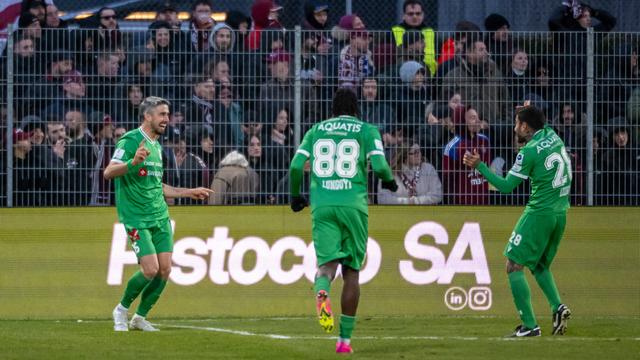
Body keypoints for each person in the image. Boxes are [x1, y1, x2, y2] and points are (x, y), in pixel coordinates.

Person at [289, 88, 398, 354]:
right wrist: (389, 181)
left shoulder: (316, 130)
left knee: (325, 267)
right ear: (356, 107)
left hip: (323, 205)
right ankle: (344, 342)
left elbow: (295, 166)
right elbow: (381, 166)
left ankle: (322, 290)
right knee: (351, 272)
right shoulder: (366, 129)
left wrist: (295, 197)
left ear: (333, 109)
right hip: (353, 206)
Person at [463, 103, 573, 337]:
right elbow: (539, 120)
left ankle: (530, 326)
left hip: (539, 213)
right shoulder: (552, 135)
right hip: (561, 213)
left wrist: (479, 165)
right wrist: (529, 109)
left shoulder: (529, 151)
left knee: (513, 264)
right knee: (540, 265)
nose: (515, 128)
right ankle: (558, 307)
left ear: (525, 126)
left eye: (517, 124)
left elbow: (505, 187)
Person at [105, 96, 212, 331]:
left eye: (167, 114)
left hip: (160, 215)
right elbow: (109, 172)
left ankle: (139, 317)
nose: (167, 119)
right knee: (150, 269)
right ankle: (121, 310)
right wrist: (132, 163)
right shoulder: (131, 140)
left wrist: (188, 192)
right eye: (162, 114)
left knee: (165, 269)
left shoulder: (157, 146)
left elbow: (159, 186)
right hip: (136, 217)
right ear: (147, 116)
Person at [377, 143, 442, 205]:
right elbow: (383, 199)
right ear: (404, 156)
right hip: (398, 213)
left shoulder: (428, 169)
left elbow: (437, 195)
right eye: (414, 153)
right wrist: (406, 202)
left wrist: (416, 201)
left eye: (419, 151)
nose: (418, 155)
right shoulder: (389, 173)